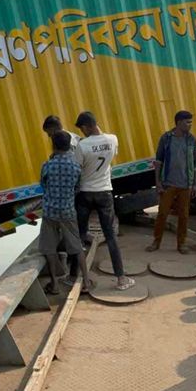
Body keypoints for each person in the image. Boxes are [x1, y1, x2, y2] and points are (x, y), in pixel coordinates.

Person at [74, 111, 134, 290]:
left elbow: (78, 169)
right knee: (110, 237)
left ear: (86, 127)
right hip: (105, 192)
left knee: (80, 236)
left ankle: (75, 277)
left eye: (82, 129)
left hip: (85, 193)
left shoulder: (82, 146)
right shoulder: (112, 140)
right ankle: (121, 279)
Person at [38, 132, 87, 294]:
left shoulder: (47, 165)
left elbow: (43, 186)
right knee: (77, 246)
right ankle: (86, 281)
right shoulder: (75, 167)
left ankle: (54, 285)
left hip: (50, 212)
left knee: (49, 248)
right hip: (68, 212)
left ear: (53, 146)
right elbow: (77, 189)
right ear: (69, 146)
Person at [148, 111, 196, 254]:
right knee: (162, 214)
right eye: (187, 122)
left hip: (186, 185)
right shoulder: (166, 138)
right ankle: (156, 241)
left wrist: (194, 183)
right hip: (168, 184)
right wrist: (158, 182)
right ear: (178, 122)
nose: (190, 125)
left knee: (183, 215)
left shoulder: (192, 140)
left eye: (191, 122)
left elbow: (195, 163)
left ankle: (181, 244)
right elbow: (158, 161)